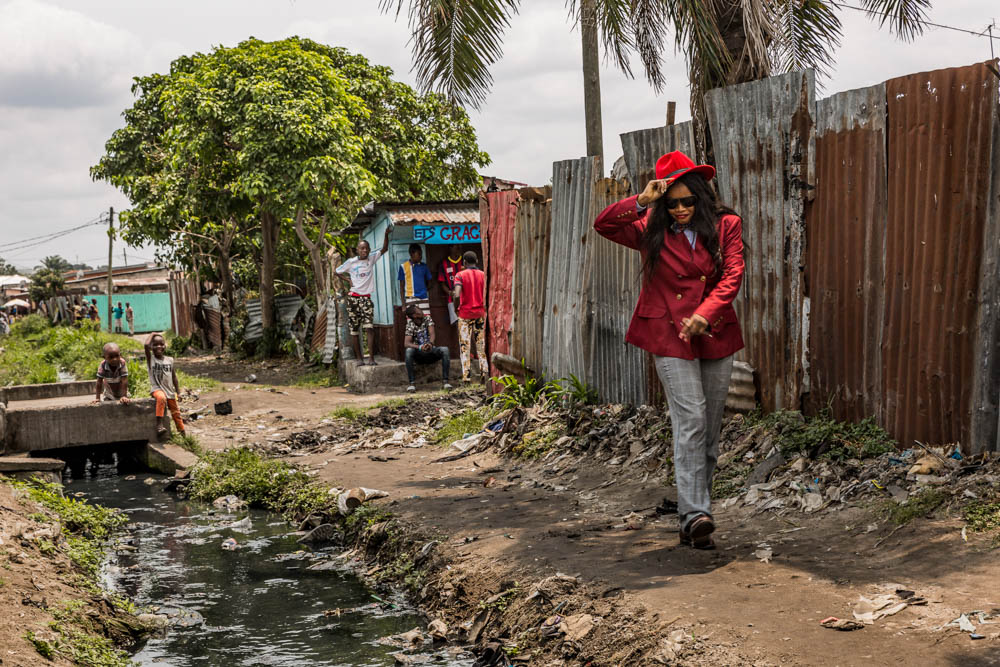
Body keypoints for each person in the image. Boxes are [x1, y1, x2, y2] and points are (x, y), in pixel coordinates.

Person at [594, 151, 745, 551]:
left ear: (701, 196)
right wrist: (643, 200)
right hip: (667, 333)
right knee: (691, 417)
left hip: (714, 333)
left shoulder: (726, 224)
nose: (679, 209)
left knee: (709, 429)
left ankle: (695, 519)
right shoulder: (648, 228)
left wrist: (706, 313)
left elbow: (733, 274)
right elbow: (604, 224)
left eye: (687, 201)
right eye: (671, 202)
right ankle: (695, 512)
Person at [335, 226, 392, 366]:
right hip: (353, 298)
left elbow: (384, 249)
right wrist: (347, 280)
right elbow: (336, 271)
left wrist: (385, 234)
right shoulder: (351, 262)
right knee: (354, 330)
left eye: (367, 248)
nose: (365, 250)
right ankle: (359, 359)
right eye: (362, 248)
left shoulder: (371, 259)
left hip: (366, 298)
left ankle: (371, 358)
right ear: (357, 250)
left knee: (369, 328)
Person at [452, 250, 487, 383]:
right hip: (480, 314)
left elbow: (456, 294)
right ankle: (484, 373)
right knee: (481, 345)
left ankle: (466, 376)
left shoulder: (460, 275)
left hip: (465, 314)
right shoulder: (483, 275)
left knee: (465, 345)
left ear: (464, 262)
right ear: (476, 261)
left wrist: (456, 307)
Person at [402, 304, 453, 393]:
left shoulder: (427, 318)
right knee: (408, 351)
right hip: (419, 354)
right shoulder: (410, 324)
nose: (421, 311)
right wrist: (420, 347)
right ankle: (412, 384)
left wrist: (430, 343)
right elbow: (406, 343)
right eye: (419, 310)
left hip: (431, 351)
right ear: (414, 315)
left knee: (445, 350)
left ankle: (446, 382)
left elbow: (432, 333)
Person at [144, 333, 184, 435]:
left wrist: (178, 392)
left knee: (176, 412)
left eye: (161, 344)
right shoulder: (151, 359)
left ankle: (183, 432)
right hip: (157, 389)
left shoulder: (169, 360)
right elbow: (145, 345)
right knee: (161, 398)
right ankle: (159, 425)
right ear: (152, 347)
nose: (159, 347)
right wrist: (153, 334)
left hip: (169, 391)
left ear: (165, 345)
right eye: (155, 344)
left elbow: (174, 377)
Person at [398, 243, 432, 317]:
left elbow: (430, 282)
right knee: (411, 322)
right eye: (419, 254)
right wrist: (403, 305)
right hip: (410, 299)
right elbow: (401, 287)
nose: (420, 256)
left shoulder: (424, 266)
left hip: (424, 298)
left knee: (426, 320)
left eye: (421, 254)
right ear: (411, 254)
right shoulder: (403, 267)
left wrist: (423, 290)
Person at [437, 244, 464, 325]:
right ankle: (459, 338)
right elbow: (442, 282)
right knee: (457, 323)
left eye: (459, 246)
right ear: (450, 248)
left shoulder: (464, 262)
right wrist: (450, 292)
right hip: (451, 299)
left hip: (466, 298)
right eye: (456, 246)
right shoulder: (444, 264)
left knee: (468, 322)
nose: (459, 248)